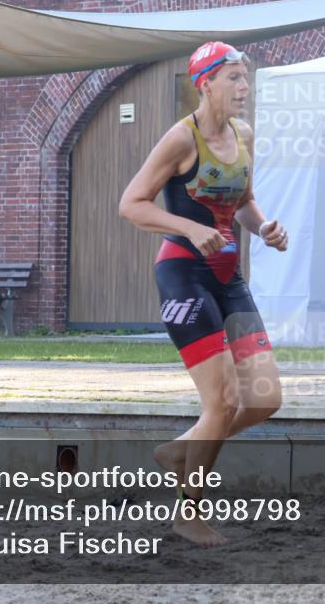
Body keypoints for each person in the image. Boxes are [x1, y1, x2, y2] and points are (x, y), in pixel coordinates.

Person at [119, 41, 287, 547]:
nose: (244, 87)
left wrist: (265, 229)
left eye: (246, 78)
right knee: (224, 398)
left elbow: (245, 202)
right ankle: (190, 513)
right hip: (184, 274)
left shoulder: (244, 135)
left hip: (228, 277)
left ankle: (182, 450)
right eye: (233, 78)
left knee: (264, 399)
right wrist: (189, 230)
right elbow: (131, 204)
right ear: (206, 84)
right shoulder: (180, 139)